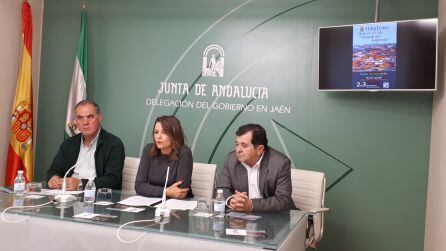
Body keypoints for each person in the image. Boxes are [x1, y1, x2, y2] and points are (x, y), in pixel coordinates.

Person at [46, 100, 125, 190]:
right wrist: (53, 178)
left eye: (90, 117)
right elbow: (53, 170)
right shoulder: (69, 144)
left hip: (97, 196)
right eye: (80, 118)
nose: (85, 122)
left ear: (99, 118)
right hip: (67, 194)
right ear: (75, 121)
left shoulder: (114, 144)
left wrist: (80, 184)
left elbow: (112, 179)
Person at [216, 124, 296, 212]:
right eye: (237, 144)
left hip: (274, 217)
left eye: (244, 145)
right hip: (243, 218)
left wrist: (251, 204)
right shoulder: (231, 159)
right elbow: (222, 189)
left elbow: (283, 200)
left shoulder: (280, 163)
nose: (238, 150)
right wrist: (231, 200)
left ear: (260, 149)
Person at [135, 115, 193, 198]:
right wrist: (166, 191)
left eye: (164, 132)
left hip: (178, 205)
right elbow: (139, 186)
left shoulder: (184, 153)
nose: (158, 136)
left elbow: (180, 191)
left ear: (174, 134)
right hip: (153, 202)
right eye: (156, 132)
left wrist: (151, 190)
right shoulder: (148, 150)